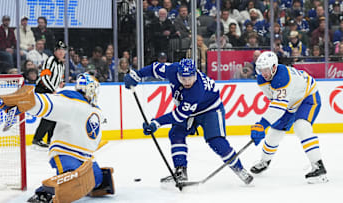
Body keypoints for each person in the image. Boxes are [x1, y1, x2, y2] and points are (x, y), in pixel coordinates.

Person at [124, 58, 254, 185]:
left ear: (195, 74)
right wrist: (137, 75)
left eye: (190, 78)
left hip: (210, 109)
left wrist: (156, 123)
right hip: (190, 110)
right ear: (178, 74)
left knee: (216, 140)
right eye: (183, 78)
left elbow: (179, 116)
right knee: (176, 133)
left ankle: (239, 169)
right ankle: (181, 171)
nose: (187, 82)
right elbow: (154, 68)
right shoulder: (172, 70)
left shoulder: (196, 89)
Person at [0, 73, 114, 202]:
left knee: (98, 179)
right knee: (71, 181)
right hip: (66, 153)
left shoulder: (94, 110)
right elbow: (53, 104)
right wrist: (30, 102)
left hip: (86, 156)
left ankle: (82, 182)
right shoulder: (73, 101)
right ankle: (44, 194)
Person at [249, 51, 328, 184]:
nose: (264, 73)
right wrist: (268, 123)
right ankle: (264, 161)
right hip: (289, 102)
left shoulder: (282, 77)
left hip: (307, 97)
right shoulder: (261, 79)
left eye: (266, 69)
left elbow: (279, 104)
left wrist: (262, 124)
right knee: (274, 133)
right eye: (261, 70)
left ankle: (318, 166)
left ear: (274, 67)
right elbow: (275, 100)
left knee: (301, 126)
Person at [32, 40, 67, 148]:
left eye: (63, 50)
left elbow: (59, 77)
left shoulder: (62, 64)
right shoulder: (50, 60)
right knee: (50, 114)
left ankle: (49, 139)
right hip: (42, 89)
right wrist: (52, 89)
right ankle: (38, 138)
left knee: (54, 114)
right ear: (55, 51)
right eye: (59, 50)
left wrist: (61, 82)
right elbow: (44, 77)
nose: (61, 52)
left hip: (50, 90)